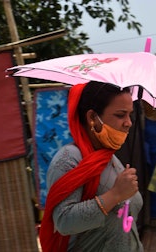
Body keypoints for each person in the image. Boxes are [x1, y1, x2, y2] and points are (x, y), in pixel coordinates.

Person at [39, 81, 144, 252]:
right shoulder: (69, 160)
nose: (128, 123)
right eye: (120, 115)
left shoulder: (110, 159)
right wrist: (115, 194)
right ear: (92, 118)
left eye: (130, 115)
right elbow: (64, 222)